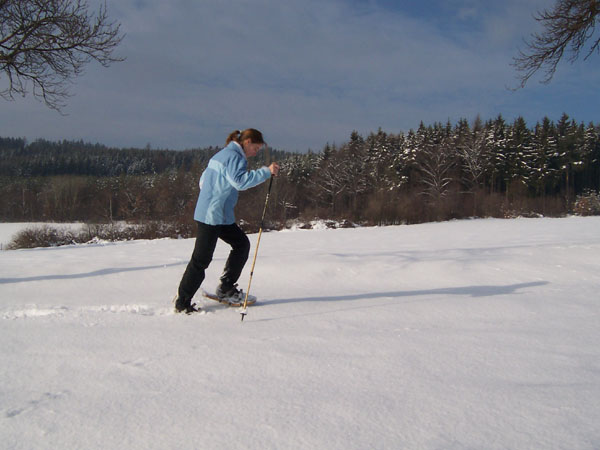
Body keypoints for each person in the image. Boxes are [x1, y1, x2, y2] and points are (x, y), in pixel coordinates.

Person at [173, 128, 279, 313]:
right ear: (247, 143)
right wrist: (266, 172)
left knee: (241, 244)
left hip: (219, 215)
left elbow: (203, 180)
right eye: (256, 148)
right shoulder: (234, 157)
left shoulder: (222, 154)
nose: (256, 152)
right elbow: (240, 182)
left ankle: (226, 288)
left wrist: (215, 194)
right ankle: (182, 302)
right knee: (201, 260)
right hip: (211, 216)